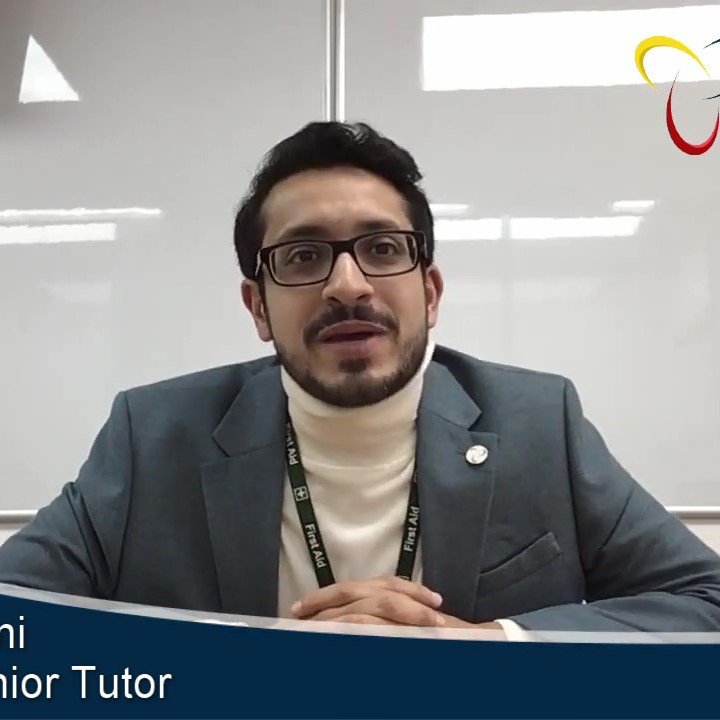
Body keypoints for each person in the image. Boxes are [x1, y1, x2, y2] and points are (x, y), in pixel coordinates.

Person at [1, 122, 719, 638]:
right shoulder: (153, 436)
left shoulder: (538, 422)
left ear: (430, 292)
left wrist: (488, 642)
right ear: (258, 307)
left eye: (381, 248)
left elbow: (704, 600)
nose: (347, 285)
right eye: (303, 256)